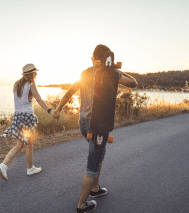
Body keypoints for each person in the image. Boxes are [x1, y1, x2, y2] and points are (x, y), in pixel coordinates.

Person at [53, 44, 138, 213]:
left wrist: (58, 109)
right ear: (107, 57)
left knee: (99, 154)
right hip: (98, 125)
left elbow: (69, 92)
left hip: (83, 123)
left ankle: (95, 188)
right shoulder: (112, 73)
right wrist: (116, 69)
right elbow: (134, 83)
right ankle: (82, 205)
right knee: (94, 160)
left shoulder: (85, 73)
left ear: (94, 58)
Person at [0, 63, 55, 181]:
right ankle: (27, 168)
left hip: (17, 117)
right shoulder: (31, 84)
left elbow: (23, 99)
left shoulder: (17, 84)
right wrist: (50, 111)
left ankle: (6, 165)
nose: (36, 74)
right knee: (29, 144)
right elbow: (38, 99)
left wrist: (29, 98)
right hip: (26, 119)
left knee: (21, 144)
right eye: (34, 72)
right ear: (30, 74)